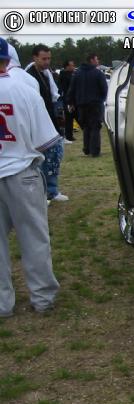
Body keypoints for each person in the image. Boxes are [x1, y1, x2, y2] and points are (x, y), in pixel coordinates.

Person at [0, 37, 60, 317]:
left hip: (14, 168)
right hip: (22, 171)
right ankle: (42, 297)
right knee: (34, 238)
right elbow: (45, 141)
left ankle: (3, 303)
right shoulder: (23, 89)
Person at [26, 44, 67, 202]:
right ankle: (42, 192)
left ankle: (52, 190)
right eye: (44, 59)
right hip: (37, 122)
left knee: (54, 157)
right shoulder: (29, 76)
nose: (47, 62)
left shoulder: (47, 74)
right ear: (35, 58)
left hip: (50, 119)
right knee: (41, 160)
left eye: (49, 58)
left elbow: (53, 96)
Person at [67, 53, 108, 158]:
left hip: (81, 105)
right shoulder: (98, 73)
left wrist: (70, 102)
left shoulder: (77, 73)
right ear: (92, 60)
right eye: (96, 59)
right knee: (95, 126)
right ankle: (95, 150)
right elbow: (104, 89)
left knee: (86, 127)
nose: (98, 61)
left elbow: (72, 89)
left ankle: (87, 149)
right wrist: (102, 99)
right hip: (95, 104)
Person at [58, 60, 76, 142]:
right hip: (67, 99)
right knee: (69, 117)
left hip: (73, 99)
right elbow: (64, 89)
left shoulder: (72, 74)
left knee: (71, 117)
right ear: (67, 66)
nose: (73, 67)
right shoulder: (63, 75)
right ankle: (69, 135)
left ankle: (70, 134)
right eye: (71, 65)